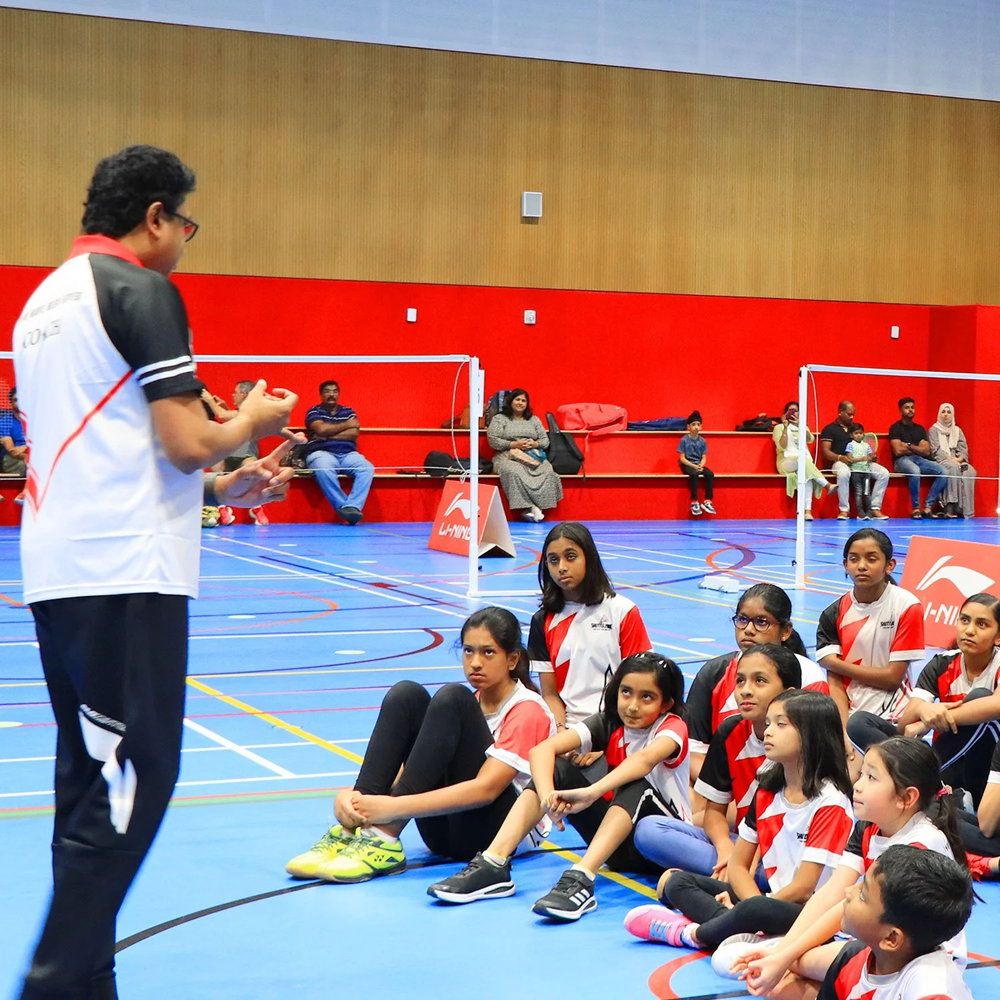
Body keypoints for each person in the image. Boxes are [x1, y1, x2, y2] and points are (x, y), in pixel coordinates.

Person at [11, 144, 298, 1000]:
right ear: (155, 217)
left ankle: (85, 982)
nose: (184, 243)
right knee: (138, 776)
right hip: (124, 571)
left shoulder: (41, 304)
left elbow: (114, 451)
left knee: (90, 783)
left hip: (60, 566)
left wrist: (223, 487)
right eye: (186, 225)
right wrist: (252, 420)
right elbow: (185, 440)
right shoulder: (140, 291)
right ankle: (52, 981)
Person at [285, 607, 555, 883]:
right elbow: (417, 770)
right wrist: (355, 799)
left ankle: (384, 836)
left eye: (488, 652)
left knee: (452, 697)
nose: (475, 663)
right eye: (468, 651)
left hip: (494, 835)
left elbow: (486, 790)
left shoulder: (527, 710)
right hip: (443, 835)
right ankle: (353, 829)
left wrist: (392, 809)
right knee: (407, 696)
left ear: (512, 659)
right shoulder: (471, 705)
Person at [427, 652, 689, 921]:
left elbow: (644, 761)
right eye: (626, 692)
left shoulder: (672, 726)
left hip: (663, 846)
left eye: (647, 697)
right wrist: (548, 799)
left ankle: (582, 878)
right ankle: (493, 863)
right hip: (619, 847)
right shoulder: (609, 722)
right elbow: (542, 750)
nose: (633, 706)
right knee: (556, 769)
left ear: (667, 703)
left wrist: (593, 792)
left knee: (636, 785)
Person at [732, 736, 968, 994]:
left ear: (906, 797)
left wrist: (785, 957)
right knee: (780, 985)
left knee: (789, 974)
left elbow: (846, 906)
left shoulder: (919, 845)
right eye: (862, 773)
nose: (857, 785)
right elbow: (832, 892)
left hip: (918, 953)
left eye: (872, 778)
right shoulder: (869, 826)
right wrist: (783, 951)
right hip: (882, 943)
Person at [625, 690, 854, 951]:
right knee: (679, 882)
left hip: (813, 915)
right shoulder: (767, 791)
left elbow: (803, 888)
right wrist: (752, 905)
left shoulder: (831, 801)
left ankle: (691, 933)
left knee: (753, 909)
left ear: (812, 735)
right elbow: (737, 866)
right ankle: (743, 929)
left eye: (781, 724)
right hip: (769, 901)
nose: (768, 732)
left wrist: (753, 908)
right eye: (768, 723)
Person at [634, 643, 801, 880]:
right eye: (740, 681)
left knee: (787, 872)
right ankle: (730, 875)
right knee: (649, 830)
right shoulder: (730, 731)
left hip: (789, 852)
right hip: (743, 844)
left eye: (759, 681)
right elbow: (714, 813)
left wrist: (744, 858)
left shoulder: (805, 739)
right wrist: (726, 849)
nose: (745, 690)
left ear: (789, 692)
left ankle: (719, 878)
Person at [756, 847, 973, 1000]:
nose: (847, 892)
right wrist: (779, 958)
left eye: (862, 895)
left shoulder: (931, 989)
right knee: (776, 988)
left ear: (891, 938)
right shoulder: (854, 960)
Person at [848, 593, 1000, 809]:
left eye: (982, 624)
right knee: (859, 722)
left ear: (998, 637)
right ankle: (934, 788)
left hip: (987, 772)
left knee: (981, 697)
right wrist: (924, 709)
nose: (969, 630)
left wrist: (928, 721)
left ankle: (924, 785)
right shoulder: (941, 663)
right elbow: (904, 726)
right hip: (943, 765)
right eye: (964, 620)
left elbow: (995, 705)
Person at [685, 583, 829, 783]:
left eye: (761, 622)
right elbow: (692, 751)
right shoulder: (713, 673)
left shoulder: (808, 674)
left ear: (786, 631)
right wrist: (728, 786)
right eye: (742, 620)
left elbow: (818, 750)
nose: (749, 630)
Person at [527, 522, 651, 732]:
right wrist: (561, 732)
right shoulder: (542, 620)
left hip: (617, 726)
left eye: (571, 557)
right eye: (553, 560)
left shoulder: (623, 611)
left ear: (589, 558)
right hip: (567, 729)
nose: (561, 567)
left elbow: (641, 684)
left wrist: (608, 735)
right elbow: (550, 694)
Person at [816, 529, 924, 725]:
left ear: (890, 565)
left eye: (871, 559)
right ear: (845, 564)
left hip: (895, 716)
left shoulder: (907, 606)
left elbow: (893, 678)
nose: (861, 566)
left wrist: (834, 663)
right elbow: (835, 682)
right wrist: (843, 728)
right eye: (854, 559)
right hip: (849, 716)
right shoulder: (832, 614)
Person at [304, 379, 375, 525]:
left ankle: (353, 506)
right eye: (327, 391)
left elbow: (354, 433)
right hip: (322, 453)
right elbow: (321, 429)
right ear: (321, 395)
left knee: (367, 468)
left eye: (335, 391)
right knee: (323, 468)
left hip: (348, 454)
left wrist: (327, 435)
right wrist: (346, 425)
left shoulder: (348, 411)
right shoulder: (314, 411)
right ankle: (345, 508)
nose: (332, 394)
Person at [487, 388, 563, 522]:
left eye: (523, 400)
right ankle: (529, 507)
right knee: (513, 471)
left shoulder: (534, 420)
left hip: (531, 456)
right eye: (517, 399)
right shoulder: (500, 419)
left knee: (547, 469)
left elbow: (545, 441)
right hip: (507, 456)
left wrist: (534, 444)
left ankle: (538, 507)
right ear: (510, 401)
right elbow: (493, 440)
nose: (520, 403)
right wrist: (513, 444)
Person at [202, 380, 269, 524]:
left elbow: (222, 415)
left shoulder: (252, 411)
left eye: (235, 392)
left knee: (251, 468)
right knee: (215, 465)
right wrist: (225, 405)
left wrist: (209, 400)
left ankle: (256, 508)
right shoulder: (240, 413)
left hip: (245, 453)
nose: (233, 395)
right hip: (231, 452)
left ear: (244, 395)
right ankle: (222, 509)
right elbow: (233, 421)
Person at [819, 400, 890, 521]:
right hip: (839, 462)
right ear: (840, 412)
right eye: (849, 414)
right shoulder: (829, 429)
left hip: (861, 462)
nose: (852, 417)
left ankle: (874, 508)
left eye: (853, 414)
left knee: (884, 473)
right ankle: (844, 510)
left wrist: (870, 457)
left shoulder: (856, 428)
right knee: (844, 473)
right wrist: (841, 458)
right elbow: (826, 452)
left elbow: (864, 446)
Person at [888, 397, 947, 519]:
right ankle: (916, 509)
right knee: (915, 471)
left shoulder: (919, 429)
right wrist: (917, 447)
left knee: (944, 472)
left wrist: (908, 445)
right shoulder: (895, 428)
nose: (910, 410)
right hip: (901, 461)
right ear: (900, 411)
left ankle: (927, 507)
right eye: (907, 408)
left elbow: (926, 451)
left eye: (912, 407)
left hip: (919, 459)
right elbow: (898, 451)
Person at [773, 401, 830, 520]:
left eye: (796, 411)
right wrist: (785, 428)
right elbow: (781, 446)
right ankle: (826, 484)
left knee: (806, 474)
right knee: (803, 462)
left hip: (802, 462)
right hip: (786, 461)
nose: (793, 413)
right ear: (785, 413)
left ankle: (807, 511)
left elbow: (811, 439)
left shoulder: (803, 426)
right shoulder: (778, 428)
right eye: (790, 411)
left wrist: (800, 426)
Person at [929, 402, 976, 519]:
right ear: (939, 414)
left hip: (957, 460)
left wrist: (959, 459)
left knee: (969, 470)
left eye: (949, 412)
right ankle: (949, 507)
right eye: (943, 412)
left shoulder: (957, 430)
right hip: (941, 460)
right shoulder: (934, 430)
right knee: (952, 467)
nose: (946, 414)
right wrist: (951, 460)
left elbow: (963, 449)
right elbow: (935, 450)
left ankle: (966, 509)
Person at [677, 409, 715, 516]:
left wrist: (701, 466)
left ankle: (707, 501)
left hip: (698, 464)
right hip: (687, 464)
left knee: (710, 474)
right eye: (694, 424)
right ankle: (694, 502)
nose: (696, 427)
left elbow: (704, 457)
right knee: (694, 474)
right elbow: (682, 458)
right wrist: (694, 466)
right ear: (689, 427)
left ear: (701, 427)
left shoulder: (702, 441)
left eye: (698, 425)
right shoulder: (684, 440)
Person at [846, 423, 874, 519]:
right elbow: (850, 459)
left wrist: (872, 458)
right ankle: (860, 513)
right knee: (858, 492)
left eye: (860, 433)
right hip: (855, 472)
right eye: (856, 433)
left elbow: (871, 457)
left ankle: (869, 512)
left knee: (867, 493)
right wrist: (861, 459)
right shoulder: (850, 445)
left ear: (863, 434)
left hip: (866, 472)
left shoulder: (866, 445)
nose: (858, 435)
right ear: (851, 435)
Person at [0, 386, 28, 476]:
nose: (19, 403)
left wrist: (25, 448)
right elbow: (13, 451)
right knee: (23, 465)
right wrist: (28, 452)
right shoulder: (5, 422)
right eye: (16, 400)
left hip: (32, 456)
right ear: (11, 403)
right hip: (11, 459)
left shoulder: (35, 421)